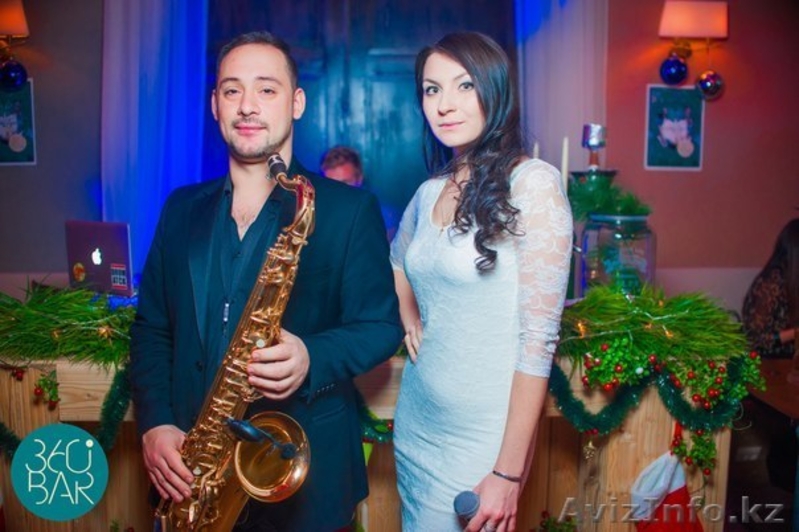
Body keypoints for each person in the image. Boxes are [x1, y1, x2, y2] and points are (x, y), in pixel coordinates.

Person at [128, 31, 403, 532]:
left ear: (296, 102)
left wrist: (312, 356)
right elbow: (152, 328)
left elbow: (382, 326)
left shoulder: (347, 210)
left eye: (267, 89)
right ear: (215, 104)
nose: (247, 106)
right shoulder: (179, 209)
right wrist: (156, 423)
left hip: (304, 479)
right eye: (232, 90)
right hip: (193, 474)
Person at [389, 32, 573, 532]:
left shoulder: (533, 183)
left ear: (495, 90)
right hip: (416, 423)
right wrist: (409, 314)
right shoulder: (429, 193)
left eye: (464, 85)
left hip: (482, 443)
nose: (444, 104)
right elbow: (397, 261)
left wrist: (507, 473)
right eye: (431, 89)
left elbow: (538, 342)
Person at [741, 218, 799, 359]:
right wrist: (795, 333)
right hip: (767, 363)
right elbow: (755, 339)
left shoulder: (791, 278)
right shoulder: (770, 283)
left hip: (786, 361)